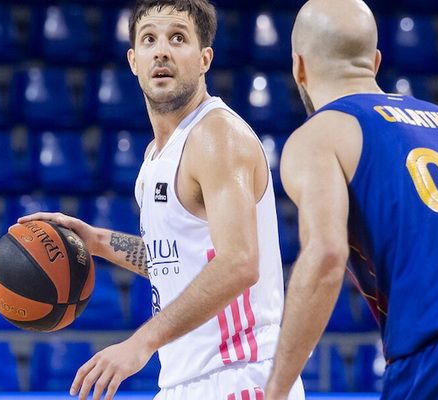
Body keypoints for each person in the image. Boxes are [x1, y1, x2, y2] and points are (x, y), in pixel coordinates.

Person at [19, 1, 305, 399]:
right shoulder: (155, 156)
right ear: (134, 61)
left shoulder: (216, 136)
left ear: (204, 59)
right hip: (184, 381)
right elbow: (178, 265)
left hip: (239, 375)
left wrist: (140, 344)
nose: (162, 51)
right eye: (149, 39)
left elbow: (239, 263)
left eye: (178, 38)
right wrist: (97, 242)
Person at [264, 0, 438, 399]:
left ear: (298, 67)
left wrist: (275, 389)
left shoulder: (320, 134)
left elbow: (326, 255)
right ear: (375, 62)